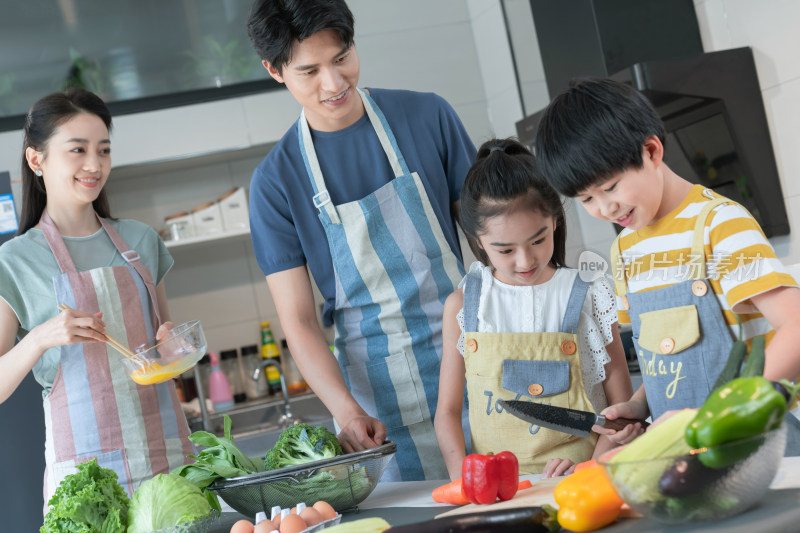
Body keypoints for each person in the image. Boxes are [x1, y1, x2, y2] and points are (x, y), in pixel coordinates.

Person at [246, 0, 476, 480]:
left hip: (478, 358)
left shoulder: (427, 116)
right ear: (274, 70)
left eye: (342, 56)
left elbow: (490, 241)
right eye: (309, 71)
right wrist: (347, 412)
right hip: (382, 404)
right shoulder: (275, 182)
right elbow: (301, 323)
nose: (334, 83)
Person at [534, 77, 800, 454]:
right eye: (586, 199)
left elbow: (796, 325)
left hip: (754, 446)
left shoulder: (719, 225)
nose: (604, 209)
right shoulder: (625, 249)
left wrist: (731, 413)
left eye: (610, 187)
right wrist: (639, 406)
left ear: (652, 151)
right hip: (681, 453)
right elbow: (668, 359)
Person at [0, 89, 192, 512]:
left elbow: (164, 342)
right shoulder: (15, 261)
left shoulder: (141, 240)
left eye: (103, 150)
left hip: (168, 465)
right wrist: (40, 339)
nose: (94, 164)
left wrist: (172, 346)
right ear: (37, 160)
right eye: (78, 150)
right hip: (85, 484)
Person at [434, 138, 638, 479]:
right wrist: (463, 480)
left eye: (538, 240)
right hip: (496, 491)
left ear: (556, 220)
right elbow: (448, 412)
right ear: (477, 240)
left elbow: (622, 408)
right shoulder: (464, 306)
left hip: (583, 482)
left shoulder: (588, 294)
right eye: (505, 250)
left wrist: (590, 469)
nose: (525, 260)